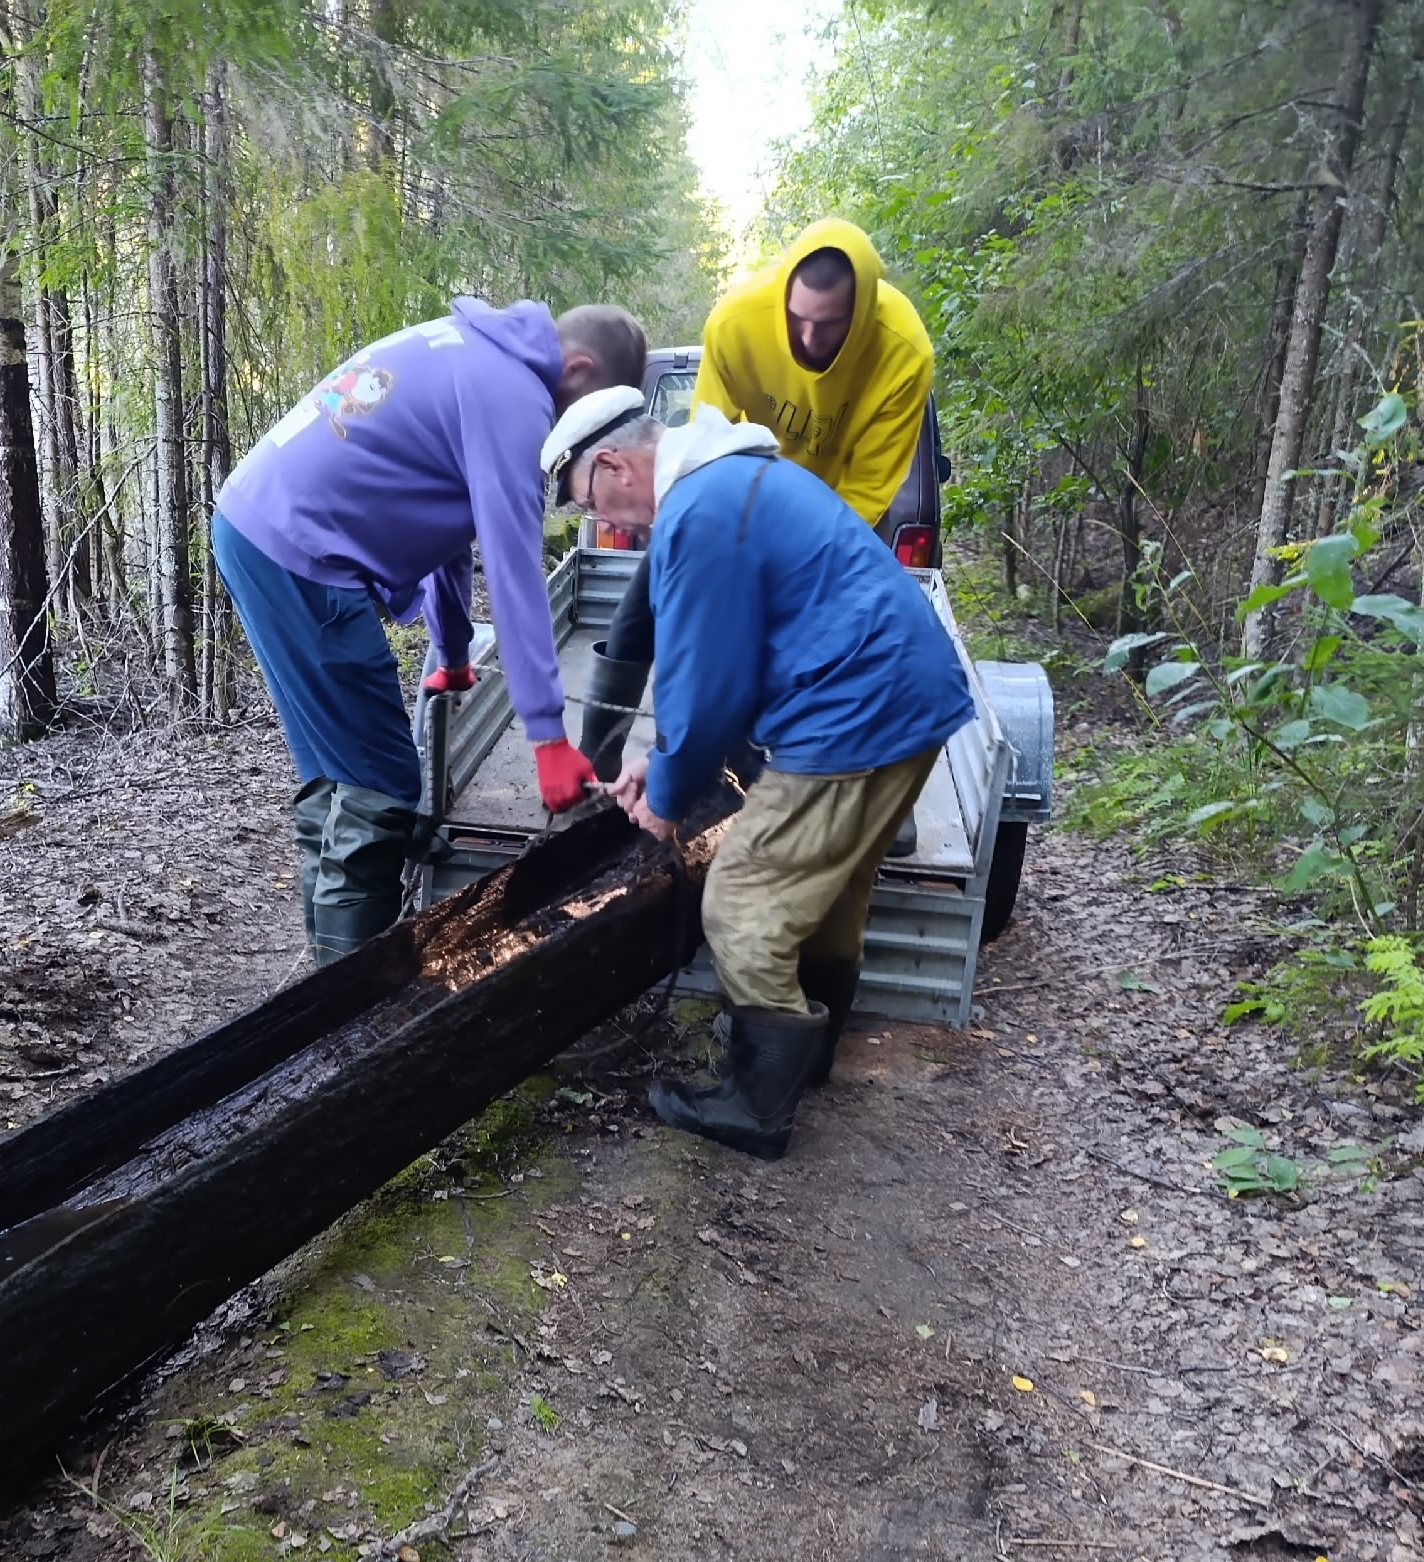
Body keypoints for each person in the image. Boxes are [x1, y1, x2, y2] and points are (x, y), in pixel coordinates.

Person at [541, 391, 973, 1159]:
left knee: (742, 901)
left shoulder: (698, 510)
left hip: (856, 718)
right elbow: (732, 662)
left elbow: (707, 684)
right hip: (909, 701)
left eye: (590, 501)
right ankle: (810, 1059)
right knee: (832, 887)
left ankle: (755, 1107)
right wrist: (661, 761)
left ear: (612, 464)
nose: (606, 521)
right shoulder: (732, 478)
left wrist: (668, 798)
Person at [213, 301, 649, 963]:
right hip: (305, 554)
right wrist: (549, 737)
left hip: (253, 526)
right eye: (589, 420)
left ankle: (317, 988)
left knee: (339, 778)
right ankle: (346, 1011)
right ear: (581, 370)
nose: (580, 446)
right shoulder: (516, 401)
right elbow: (512, 572)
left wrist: (450, 652)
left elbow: (445, 524)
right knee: (382, 784)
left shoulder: (470, 352)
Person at [578, 220, 935, 779]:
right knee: (653, 612)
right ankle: (604, 767)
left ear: (862, 311)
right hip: (728, 499)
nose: (811, 339)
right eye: (798, 320)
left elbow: (867, 490)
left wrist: (786, 574)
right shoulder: (738, 321)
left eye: (832, 324)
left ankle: (844, 767)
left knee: (797, 643)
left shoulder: (903, 350)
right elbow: (704, 442)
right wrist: (706, 555)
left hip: (826, 515)